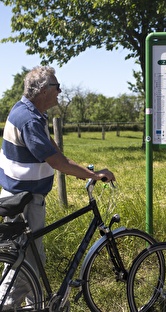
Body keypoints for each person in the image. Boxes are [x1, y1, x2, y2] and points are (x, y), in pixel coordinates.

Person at [0, 66, 115, 309]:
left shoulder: (27, 111)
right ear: (43, 90)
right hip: (24, 200)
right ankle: (6, 305)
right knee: (25, 263)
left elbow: (52, 149)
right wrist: (93, 174)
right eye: (56, 86)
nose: (60, 90)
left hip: (18, 195)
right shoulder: (29, 119)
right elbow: (56, 161)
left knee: (31, 259)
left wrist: (76, 169)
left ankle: (38, 304)